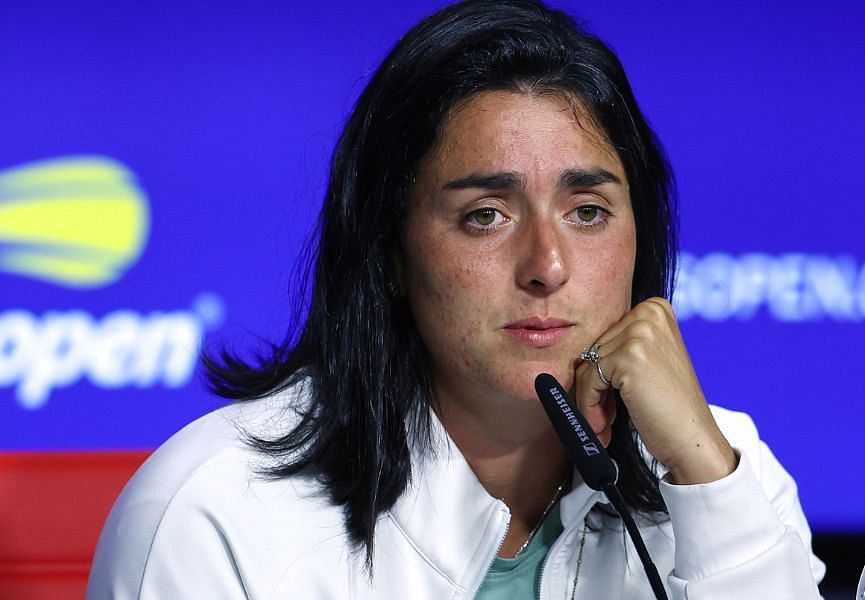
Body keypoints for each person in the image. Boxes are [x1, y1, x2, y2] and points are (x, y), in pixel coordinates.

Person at [88, 1, 827, 598]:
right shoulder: (213, 516)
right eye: (486, 215)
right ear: (389, 254)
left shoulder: (726, 476)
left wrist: (705, 474)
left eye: (588, 212)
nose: (547, 265)